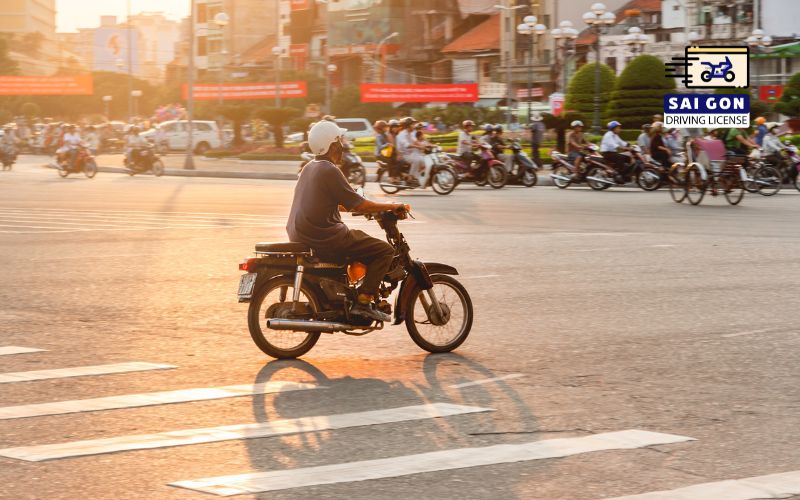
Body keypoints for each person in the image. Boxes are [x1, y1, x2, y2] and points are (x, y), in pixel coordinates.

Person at [286, 120, 409, 322]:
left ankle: (353, 293)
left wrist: (361, 207)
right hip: (325, 237)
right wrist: (390, 206)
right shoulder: (329, 170)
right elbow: (359, 205)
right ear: (332, 145)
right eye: (340, 141)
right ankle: (363, 302)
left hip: (303, 232)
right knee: (384, 250)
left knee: (360, 239)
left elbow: (336, 201)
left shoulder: (311, 167)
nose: (343, 145)